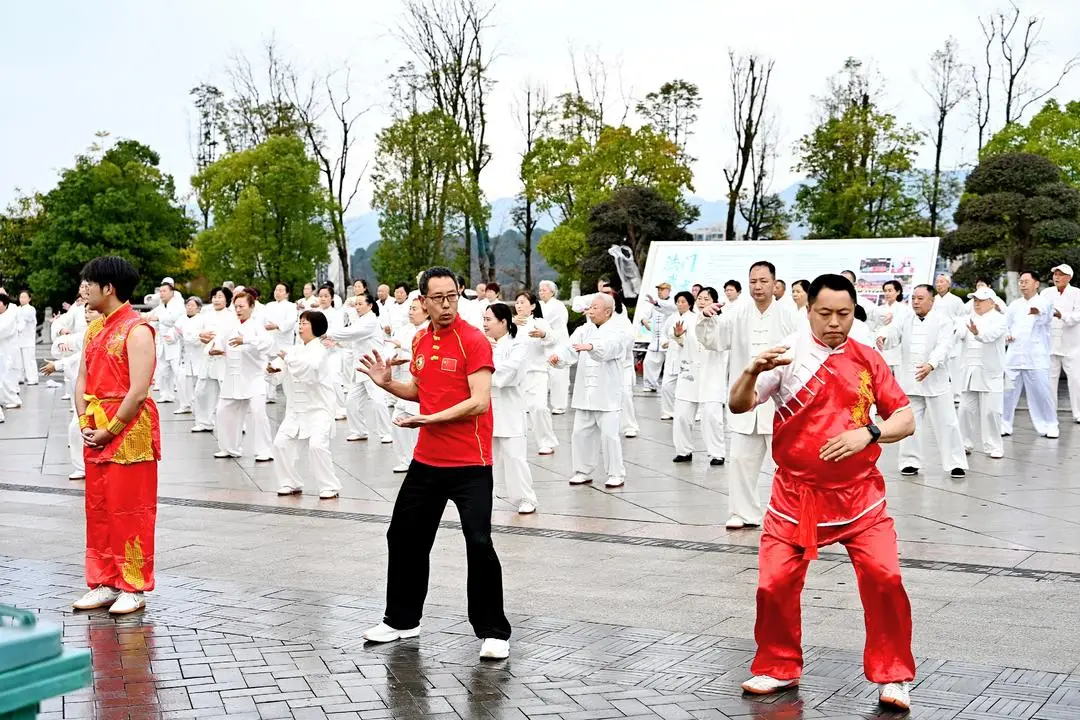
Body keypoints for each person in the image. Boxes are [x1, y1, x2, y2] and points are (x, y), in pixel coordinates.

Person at [728, 273, 916, 712]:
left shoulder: (868, 359)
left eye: (844, 314)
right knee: (773, 585)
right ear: (807, 309)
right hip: (796, 498)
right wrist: (752, 369)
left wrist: (869, 433)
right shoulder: (787, 356)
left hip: (860, 498)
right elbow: (739, 404)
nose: (835, 322)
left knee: (886, 580)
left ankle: (894, 675)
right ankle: (778, 665)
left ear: (854, 312)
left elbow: (905, 418)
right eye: (825, 313)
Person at [357, 266, 511, 660]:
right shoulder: (421, 338)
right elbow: (420, 390)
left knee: (478, 542)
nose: (446, 305)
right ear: (422, 301)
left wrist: (431, 418)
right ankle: (402, 621)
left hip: (470, 463)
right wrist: (387, 383)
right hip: (428, 461)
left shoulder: (474, 341)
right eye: (438, 298)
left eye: (452, 296)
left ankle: (493, 630)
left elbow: (479, 401)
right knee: (403, 536)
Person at [72, 256, 161, 616]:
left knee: (131, 510)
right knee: (100, 509)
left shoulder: (137, 329)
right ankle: (104, 581)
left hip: (128, 431)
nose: (82, 288)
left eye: (88, 282)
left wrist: (111, 429)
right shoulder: (93, 329)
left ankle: (133, 585)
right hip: (96, 426)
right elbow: (82, 377)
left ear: (109, 288)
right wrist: (84, 422)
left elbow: (138, 391)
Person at [696, 261, 801, 529]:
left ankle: (794, 513)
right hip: (745, 400)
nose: (758, 286)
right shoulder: (737, 313)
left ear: (775, 284)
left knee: (788, 463)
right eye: (753, 281)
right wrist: (707, 318)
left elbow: (802, 352)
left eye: (763, 281)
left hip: (781, 403)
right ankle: (742, 513)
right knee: (741, 460)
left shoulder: (790, 315)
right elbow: (714, 341)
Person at [877, 284, 967, 478]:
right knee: (910, 423)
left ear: (931, 301)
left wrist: (931, 365)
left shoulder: (943, 320)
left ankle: (955, 463)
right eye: (914, 298)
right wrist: (883, 338)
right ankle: (910, 461)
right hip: (910, 380)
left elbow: (944, 346)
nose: (916, 302)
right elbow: (893, 335)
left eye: (920, 298)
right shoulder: (905, 318)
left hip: (935, 379)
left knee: (947, 422)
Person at [549, 293, 632, 488]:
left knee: (610, 436)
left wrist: (592, 346)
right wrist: (557, 358)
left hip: (607, 394)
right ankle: (582, 471)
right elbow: (569, 348)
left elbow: (609, 349)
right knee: (580, 433)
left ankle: (616, 473)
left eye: (595, 307)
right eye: (590, 307)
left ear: (608, 312)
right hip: (584, 393)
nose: (591, 311)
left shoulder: (619, 331)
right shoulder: (583, 329)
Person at [269, 310, 342, 499]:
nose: (300, 326)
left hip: (318, 409)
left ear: (315, 327)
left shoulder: (320, 351)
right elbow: (278, 375)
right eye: (299, 322)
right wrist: (271, 370)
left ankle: (329, 486)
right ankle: (290, 482)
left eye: (305, 323)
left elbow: (311, 371)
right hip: (296, 410)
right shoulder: (293, 350)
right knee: (280, 444)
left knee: (317, 446)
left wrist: (288, 360)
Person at [485, 303, 538, 514]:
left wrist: (488, 364)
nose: (485, 324)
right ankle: (485, 497)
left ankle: (526, 498)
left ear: (503, 321)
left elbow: (509, 373)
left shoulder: (520, 342)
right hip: (486, 406)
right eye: (484, 319)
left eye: (489, 319)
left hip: (509, 408)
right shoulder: (483, 342)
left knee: (515, 457)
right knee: (486, 459)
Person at [210, 291, 274, 461]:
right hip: (233, 377)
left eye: (242, 306)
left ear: (251, 307)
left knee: (258, 412)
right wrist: (212, 349)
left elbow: (268, 343)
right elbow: (217, 341)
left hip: (254, 378)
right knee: (223, 411)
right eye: (236, 306)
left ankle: (264, 450)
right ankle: (229, 448)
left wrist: (245, 340)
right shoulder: (229, 325)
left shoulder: (256, 326)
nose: (238, 310)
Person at [671, 287, 727, 466]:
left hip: (711, 374)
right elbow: (680, 342)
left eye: (707, 299)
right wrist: (678, 336)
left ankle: (717, 453)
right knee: (682, 415)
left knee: (711, 416)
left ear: (714, 302)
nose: (702, 301)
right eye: (700, 298)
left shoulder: (722, 321)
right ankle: (683, 450)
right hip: (690, 374)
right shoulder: (687, 319)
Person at [330, 292, 392, 444]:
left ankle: (387, 432)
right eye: (356, 304)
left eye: (360, 304)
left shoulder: (370, 321)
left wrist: (329, 334)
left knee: (377, 400)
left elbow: (352, 334)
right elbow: (351, 340)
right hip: (361, 368)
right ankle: (359, 431)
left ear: (370, 306)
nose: (357, 307)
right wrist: (334, 340)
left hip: (374, 367)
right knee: (351, 401)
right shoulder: (360, 320)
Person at [1003, 271, 1059, 438]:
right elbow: (1006, 325)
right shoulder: (1014, 305)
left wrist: (1037, 311)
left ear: (1036, 284)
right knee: (1007, 392)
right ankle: (1004, 423)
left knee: (1042, 392)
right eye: (1020, 281)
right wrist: (1008, 334)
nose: (1023, 284)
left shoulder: (1044, 302)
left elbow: (1045, 316)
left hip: (1036, 356)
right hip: (1014, 355)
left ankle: (1050, 424)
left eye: (1026, 281)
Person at [957, 287, 1007, 459]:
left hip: (990, 373)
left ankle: (994, 446)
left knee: (992, 412)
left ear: (992, 303)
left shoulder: (1000, 319)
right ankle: (964, 444)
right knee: (964, 410)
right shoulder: (966, 319)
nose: (976, 303)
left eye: (980, 300)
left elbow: (989, 337)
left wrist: (977, 333)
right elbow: (958, 332)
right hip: (969, 372)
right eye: (975, 300)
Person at [385, 298, 428, 473]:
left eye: (414, 309)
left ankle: (418, 460)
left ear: (426, 312)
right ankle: (406, 459)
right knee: (398, 419)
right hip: (404, 380)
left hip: (420, 383)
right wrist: (393, 358)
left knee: (416, 423)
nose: (410, 311)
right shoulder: (406, 329)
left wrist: (402, 347)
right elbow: (391, 346)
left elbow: (423, 353)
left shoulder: (428, 330)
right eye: (409, 308)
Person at [513, 291, 558, 455]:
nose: (519, 305)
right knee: (516, 410)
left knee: (538, 407)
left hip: (537, 372)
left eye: (523, 302)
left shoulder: (540, 323)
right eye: (517, 302)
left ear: (532, 306)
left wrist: (543, 334)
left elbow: (553, 338)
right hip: (516, 375)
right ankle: (516, 440)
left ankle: (547, 441)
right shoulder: (510, 323)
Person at [191, 287, 236, 433]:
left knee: (228, 392)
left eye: (220, 296)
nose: (216, 299)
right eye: (214, 297)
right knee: (201, 390)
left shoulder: (232, 316)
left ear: (227, 299)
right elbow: (194, 332)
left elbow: (234, 336)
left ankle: (236, 424)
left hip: (224, 358)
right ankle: (204, 422)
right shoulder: (205, 315)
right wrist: (201, 336)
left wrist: (221, 346)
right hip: (208, 358)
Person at [1042, 264, 1080, 423]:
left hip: (1072, 345)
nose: (1056, 277)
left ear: (1069, 277)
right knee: (1049, 382)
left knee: (1076, 380)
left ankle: (1078, 413)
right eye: (1055, 274)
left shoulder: (1077, 293)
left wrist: (1062, 315)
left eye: (1060, 274)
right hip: (1051, 344)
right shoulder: (1046, 293)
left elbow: (1077, 316)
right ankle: (1050, 414)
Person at [537, 280, 570, 415]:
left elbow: (556, 325)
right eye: (540, 290)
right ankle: (540, 403)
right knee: (543, 376)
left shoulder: (558, 306)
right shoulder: (540, 305)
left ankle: (559, 405)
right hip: (543, 343)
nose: (541, 292)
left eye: (544, 290)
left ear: (552, 292)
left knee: (558, 376)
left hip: (557, 343)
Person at [659, 292, 693, 421]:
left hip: (685, 354)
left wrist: (681, 339)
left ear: (689, 304)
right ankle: (669, 411)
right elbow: (663, 333)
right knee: (666, 385)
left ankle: (691, 412)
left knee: (687, 386)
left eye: (683, 301)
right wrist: (664, 342)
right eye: (678, 301)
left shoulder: (693, 318)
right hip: (671, 354)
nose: (680, 304)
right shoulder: (672, 317)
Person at [263, 282, 298, 403]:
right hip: (269, 339)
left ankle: (291, 394)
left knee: (284, 367)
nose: (277, 292)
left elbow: (291, 321)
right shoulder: (268, 305)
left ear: (287, 293)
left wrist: (277, 326)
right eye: (276, 290)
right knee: (269, 366)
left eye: (281, 290)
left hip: (284, 341)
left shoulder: (291, 306)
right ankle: (270, 395)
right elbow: (263, 321)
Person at [933, 274, 965, 402]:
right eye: (937, 282)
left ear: (948, 284)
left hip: (954, 337)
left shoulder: (956, 300)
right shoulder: (932, 300)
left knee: (955, 367)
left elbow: (963, 318)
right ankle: (942, 393)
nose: (939, 284)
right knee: (939, 365)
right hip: (937, 337)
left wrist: (957, 331)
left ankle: (957, 394)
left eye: (942, 282)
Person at [641, 283, 676, 395]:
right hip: (655, 340)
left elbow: (666, 308)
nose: (660, 291)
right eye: (659, 290)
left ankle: (671, 387)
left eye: (662, 289)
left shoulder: (673, 302)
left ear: (668, 291)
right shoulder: (653, 304)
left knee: (671, 365)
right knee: (649, 362)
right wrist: (644, 320)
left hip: (668, 340)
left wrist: (656, 303)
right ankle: (650, 384)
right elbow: (644, 314)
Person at [173, 296, 204, 415]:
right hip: (184, 355)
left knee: (197, 384)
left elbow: (198, 338)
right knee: (181, 380)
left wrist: (187, 335)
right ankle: (184, 405)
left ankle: (198, 407)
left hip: (198, 355)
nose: (189, 307)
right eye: (188, 305)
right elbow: (174, 332)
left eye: (192, 305)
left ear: (199, 308)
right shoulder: (182, 319)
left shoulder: (202, 320)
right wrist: (171, 337)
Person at [874, 280, 911, 373]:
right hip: (880, 350)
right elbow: (875, 327)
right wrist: (878, 336)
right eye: (885, 291)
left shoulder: (904, 309)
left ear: (898, 292)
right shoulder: (879, 309)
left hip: (896, 351)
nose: (887, 293)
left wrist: (885, 336)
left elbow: (900, 328)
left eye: (890, 290)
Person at [0, 294, 20, 413]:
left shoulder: (9, 316)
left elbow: (3, 331)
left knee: (7, 376)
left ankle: (13, 400)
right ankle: (5, 399)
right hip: (3, 351)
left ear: (5, 304)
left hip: (9, 351)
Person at [15, 290, 38, 385]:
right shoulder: (17, 309)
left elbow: (23, 322)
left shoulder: (31, 309)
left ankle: (33, 378)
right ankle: (20, 378)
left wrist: (17, 329)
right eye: (21, 297)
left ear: (29, 299)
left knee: (29, 360)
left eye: (25, 297)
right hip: (18, 340)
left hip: (28, 339)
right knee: (18, 360)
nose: (23, 299)